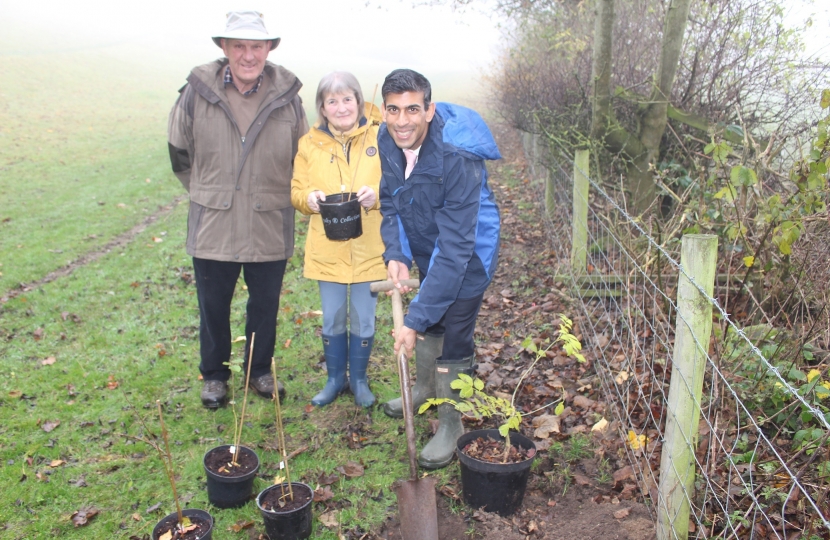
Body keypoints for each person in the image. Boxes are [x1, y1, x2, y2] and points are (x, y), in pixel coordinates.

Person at [167, 11, 308, 409]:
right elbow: (179, 153)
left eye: (256, 46)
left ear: (268, 50)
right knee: (212, 305)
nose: (248, 55)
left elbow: (304, 158)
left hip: (268, 220)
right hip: (214, 222)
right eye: (240, 46)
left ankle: (258, 370)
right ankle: (213, 375)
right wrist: (208, 191)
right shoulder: (196, 92)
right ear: (224, 48)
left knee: (265, 304)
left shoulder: (289, 99)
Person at [378, 69, 501, 468]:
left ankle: (451, 421)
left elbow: (455, 251)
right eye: (393, 110)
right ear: (384, 111)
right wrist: (395, 251)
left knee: (454, 334)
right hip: (428, 243)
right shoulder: (387, 140)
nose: (402, 121)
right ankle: (424, 390)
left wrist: (411, 321)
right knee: (430, 318)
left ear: (429, 110)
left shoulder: (458, 159)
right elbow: (390, 199)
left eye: (412, 109)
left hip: (469, 254)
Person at [291, 72, 385, 408]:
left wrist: (378, 195)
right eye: (332, 101)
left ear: (359, 101)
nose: (341, 107)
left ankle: (358, 381)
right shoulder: (308, 144)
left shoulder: (381, 135)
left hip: (371, 248)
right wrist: (309, 199)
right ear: (322, 107)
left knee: (363, 316)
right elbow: (296, 191)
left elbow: (401, 183)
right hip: (326, 250)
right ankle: (334, 380)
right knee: (331, 317)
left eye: (347, 99)